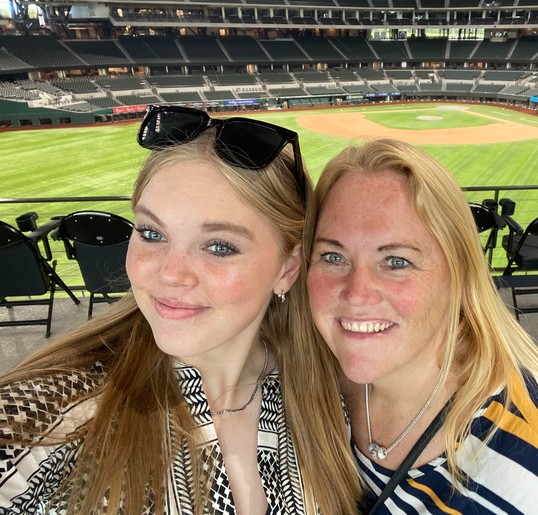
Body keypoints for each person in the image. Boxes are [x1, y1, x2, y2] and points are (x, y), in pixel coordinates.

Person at [0, 105, 360, 514]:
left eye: (219, 246)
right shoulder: (50, 411)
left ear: (287, 268)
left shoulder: (329, 395)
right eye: (152, 233)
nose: (170, 275)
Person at [305, 138, 538, 514]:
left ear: (459, 276)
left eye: (397, 262)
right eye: (332, 256)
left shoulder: (533, 481)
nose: (356, 292)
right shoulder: (308, 372)